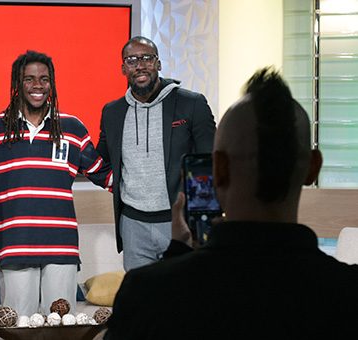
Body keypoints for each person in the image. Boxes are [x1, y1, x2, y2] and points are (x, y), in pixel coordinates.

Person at [106, 68, 358, 339]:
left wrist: (177, 254)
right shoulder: (347, 294)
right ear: (312, 168)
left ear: (217, 170)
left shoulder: (148, 293)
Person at [0, 50, 112, 317]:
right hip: (13, 245)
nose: (37, 85)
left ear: (52, 84)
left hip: (61, 247)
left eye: (44, 79)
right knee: (17, 329)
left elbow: (104, 174)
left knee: (62, 329)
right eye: (29, 79)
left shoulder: (71, 128)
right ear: (17, 83)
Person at [96, 36, 216, 271]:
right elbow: (101, 160)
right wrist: (116, 183)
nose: (140, 65)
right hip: (132, 225)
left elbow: (210, 163)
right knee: (142, 302)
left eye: (147, 58)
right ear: (123, 68)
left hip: (179, 222)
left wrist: (202, 227)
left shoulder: (191, 104)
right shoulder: (112, 112)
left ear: (158, 64)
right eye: (132, 60)